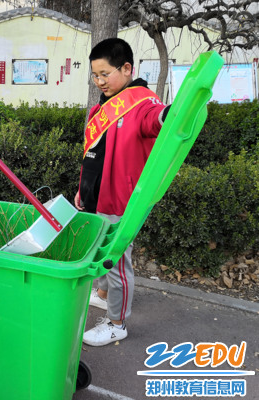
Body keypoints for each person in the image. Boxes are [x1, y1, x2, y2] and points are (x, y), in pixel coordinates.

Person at [74, 38, 171, 346]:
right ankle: (103, 294)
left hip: (120, 202)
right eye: (95, 75)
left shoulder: (141, 104)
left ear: (127, 68)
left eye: (105, 74)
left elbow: (156, 120)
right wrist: (81, 190)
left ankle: (117, 323)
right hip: (95, 198)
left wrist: (172, 114)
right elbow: (91, 154)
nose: (100, 81)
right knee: (100, 252)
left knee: (116, 261)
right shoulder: (99, 109)